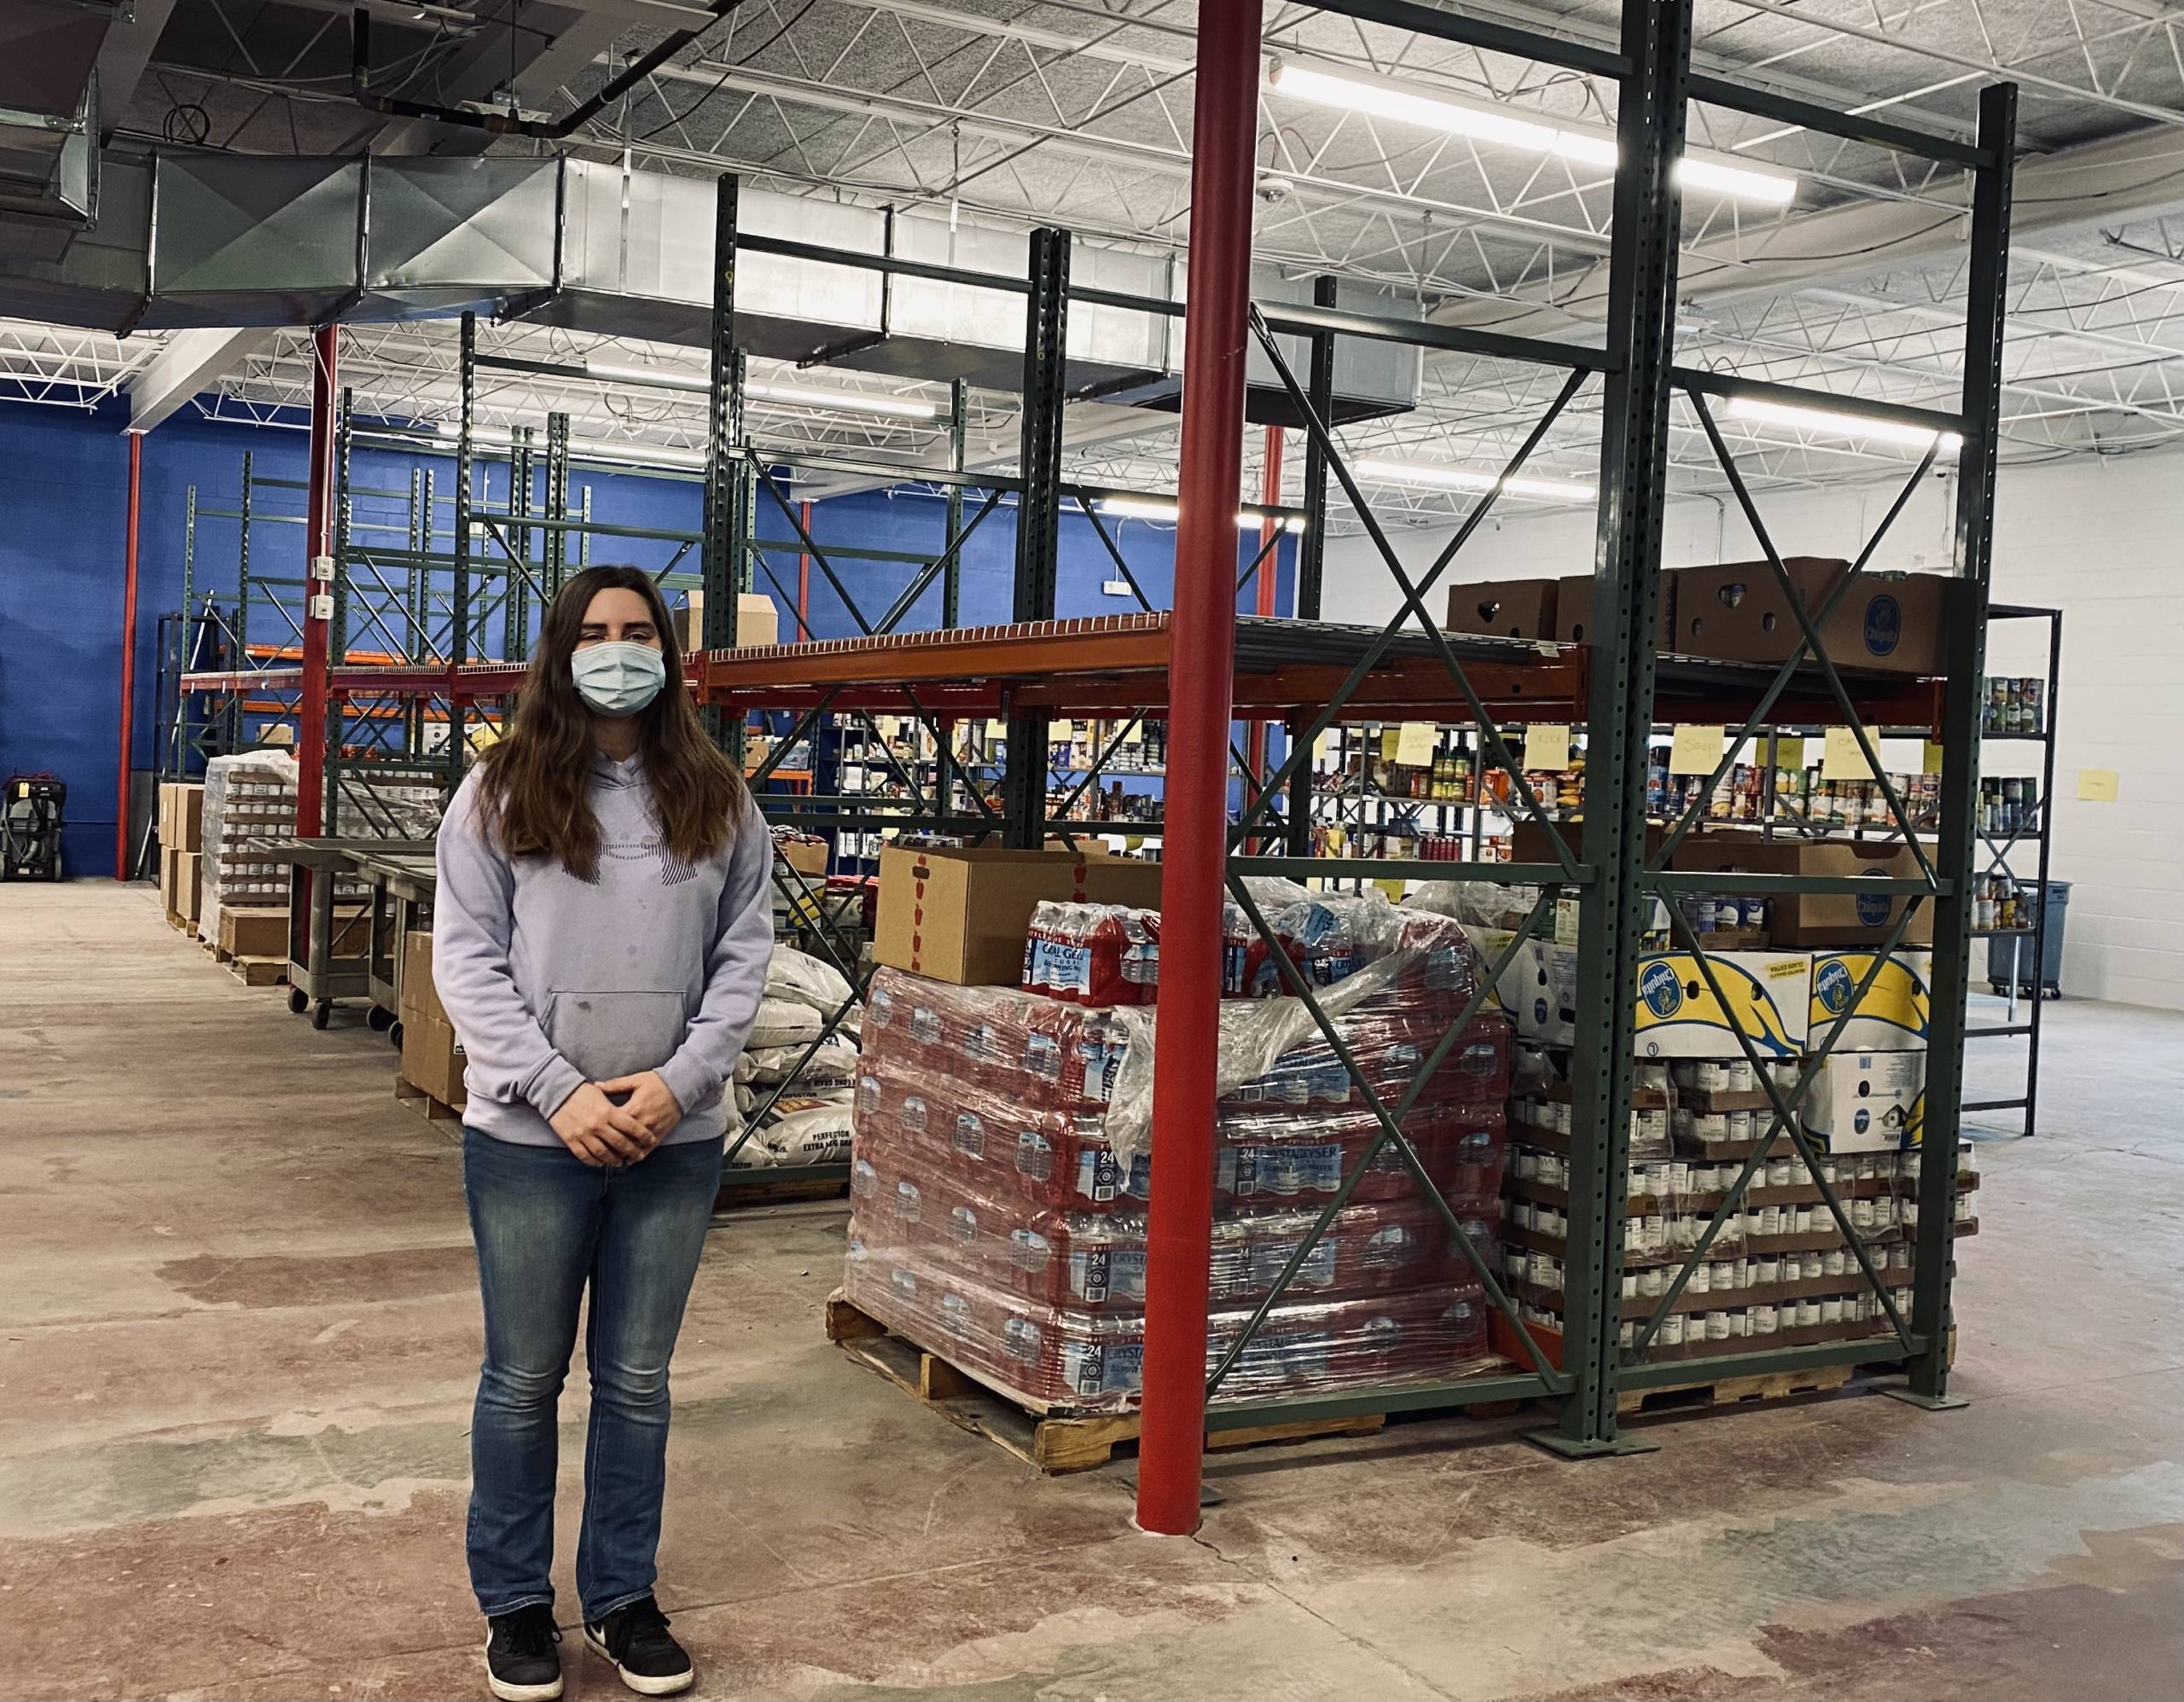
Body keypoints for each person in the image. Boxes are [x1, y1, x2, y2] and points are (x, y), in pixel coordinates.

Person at [433, 564, 773, 1701]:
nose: (616, 650)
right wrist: (554, 1090)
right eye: (593, 632)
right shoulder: (498, 793)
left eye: (637, 632)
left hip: (673, 1141)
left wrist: (682, 1083)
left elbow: (744, 956)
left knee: (635, 1380)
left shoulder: (717, 797)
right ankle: (516, 1606)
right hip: (531, 1142)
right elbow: (467, 961)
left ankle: (623, 1596)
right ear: (559, 651)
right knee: (523, 1378)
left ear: (668, 654)